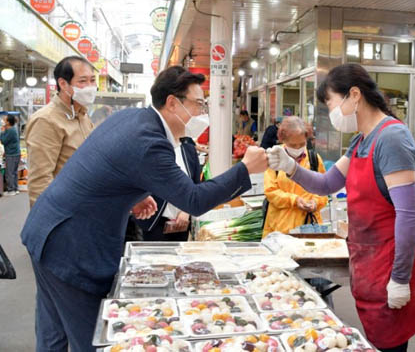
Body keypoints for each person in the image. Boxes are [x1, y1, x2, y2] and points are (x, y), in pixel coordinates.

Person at [21, 66, 268, 351]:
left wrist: (132, 196)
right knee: (89, 339)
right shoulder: (150, 142)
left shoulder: (133, 118)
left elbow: (103, 167)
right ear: (173, 103)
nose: (202, 113)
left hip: (47, 231)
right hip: (72, 248)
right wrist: (245, 171)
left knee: (53, 335)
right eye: (199, 104)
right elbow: (194, 201)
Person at [267, 64, 415, 352]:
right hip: (369, 265)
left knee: (390, 346)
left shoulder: (391, 138)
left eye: (331, 102)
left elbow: (408, 215)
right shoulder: (360, 140)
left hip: (389, 267)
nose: (331, 112)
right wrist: (290, 167)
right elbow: (327, 183)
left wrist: (400, 277)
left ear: (354, 95)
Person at [25, 56, 95, 207]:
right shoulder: (47, 120)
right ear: (63, 83)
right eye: (82, 81)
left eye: (92, 80)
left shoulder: (83, 116)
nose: (90, 87)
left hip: (84, 209)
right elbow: (40, 180)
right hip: (63, 212)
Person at [262, 116, 328, 238]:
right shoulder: (274, 158)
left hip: (309, 228)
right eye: (293, 145)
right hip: (280, 228)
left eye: (302, 144)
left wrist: (315, 202)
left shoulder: (314, 159)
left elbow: (323, 189)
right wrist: (295, 200)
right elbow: (270, 192)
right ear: (283, 140)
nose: (298, 148)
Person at [136, 136, 206, 241]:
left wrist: (186, 211)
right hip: (155, 220)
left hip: (182, 223)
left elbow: (196, 185)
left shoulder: (188, 149)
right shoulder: (151, 147)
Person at [0, 114, 20, 196]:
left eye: (4, 120)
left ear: (8, 122)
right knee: (14, 172)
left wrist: (2, 131)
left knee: (10, 172)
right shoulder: (12, 129)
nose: (3, 121)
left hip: (11, 154)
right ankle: (15, 188)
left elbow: (4, 140)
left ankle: (11, 190)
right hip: (15, 153)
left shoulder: (10, 130)